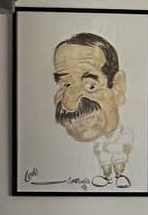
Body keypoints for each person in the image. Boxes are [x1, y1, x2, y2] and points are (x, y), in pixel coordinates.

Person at [52, 32, 134, 185]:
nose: (70, 103)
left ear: (118, 88)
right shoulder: (52, 150)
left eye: (90, 85)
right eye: (64, 84)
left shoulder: (126, 137)